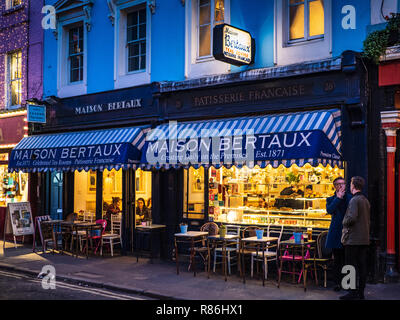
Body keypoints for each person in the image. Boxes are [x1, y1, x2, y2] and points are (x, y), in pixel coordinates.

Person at [339, 176, 370, 300]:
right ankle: (360, 292)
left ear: (353, 186)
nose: (349, 185)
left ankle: (352, 292)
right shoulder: (365, 200)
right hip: (364, 238)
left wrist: (343, 221)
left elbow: (351, 218)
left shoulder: (354, 200)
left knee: (350, 266)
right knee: (362, 266)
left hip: (353, 239)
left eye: (351, 183)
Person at [325, 177, 351, 291]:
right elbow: (329, 210)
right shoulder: (330, 199)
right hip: (336, 233)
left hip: (348, 233)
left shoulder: (350, 198)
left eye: (344, 184)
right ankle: (337, 283)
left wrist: (342, 198)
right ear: (335, 186)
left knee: (349, 259)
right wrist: (338, 198)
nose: (342, 186)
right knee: (337, 260)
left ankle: (349, 284)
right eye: (339, 184)